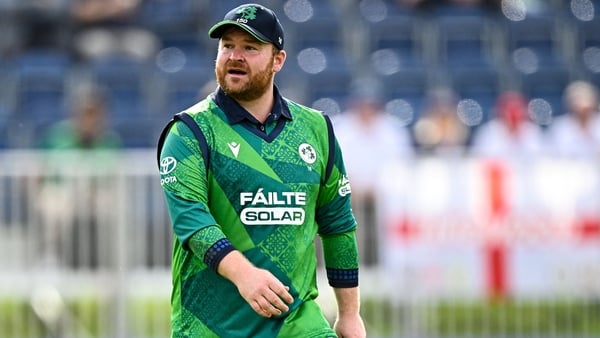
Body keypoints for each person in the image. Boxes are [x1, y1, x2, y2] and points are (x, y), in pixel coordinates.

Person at [157, 4, 366, 338]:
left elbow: (337, 224)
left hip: (298, 325)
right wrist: (245, 275)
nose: (235, 56)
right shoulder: (190, 131)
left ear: (278, 60)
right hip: (212, 327)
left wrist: (349, 314)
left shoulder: (316, 129)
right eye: (227, 46)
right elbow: (192, 222)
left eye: (250, 48)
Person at [332, 85, 413, 266]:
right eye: (363, 105)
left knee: (393, 205)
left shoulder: (392, 130)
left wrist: (379, 187)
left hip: (385, 192)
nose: (366, 111)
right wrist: (353, 186)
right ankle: (347, 265)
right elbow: (335, 165)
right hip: (350, 190)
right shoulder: (342, 128)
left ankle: (390, 266)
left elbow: (401, 165)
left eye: (371, 106)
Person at [470, 90, 545, 160]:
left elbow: (539, 157)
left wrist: (519, 135)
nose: (514, 115)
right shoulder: (488, 130)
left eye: (518, 110)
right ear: (501, 111)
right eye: (510, 111)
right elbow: (481, 158)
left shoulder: (533, 130)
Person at [546, 80, 600, 159]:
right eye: (577, 100)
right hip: (569, 168)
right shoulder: (559, 126)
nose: (581, 106)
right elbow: (553, 155)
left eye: (586, 99)